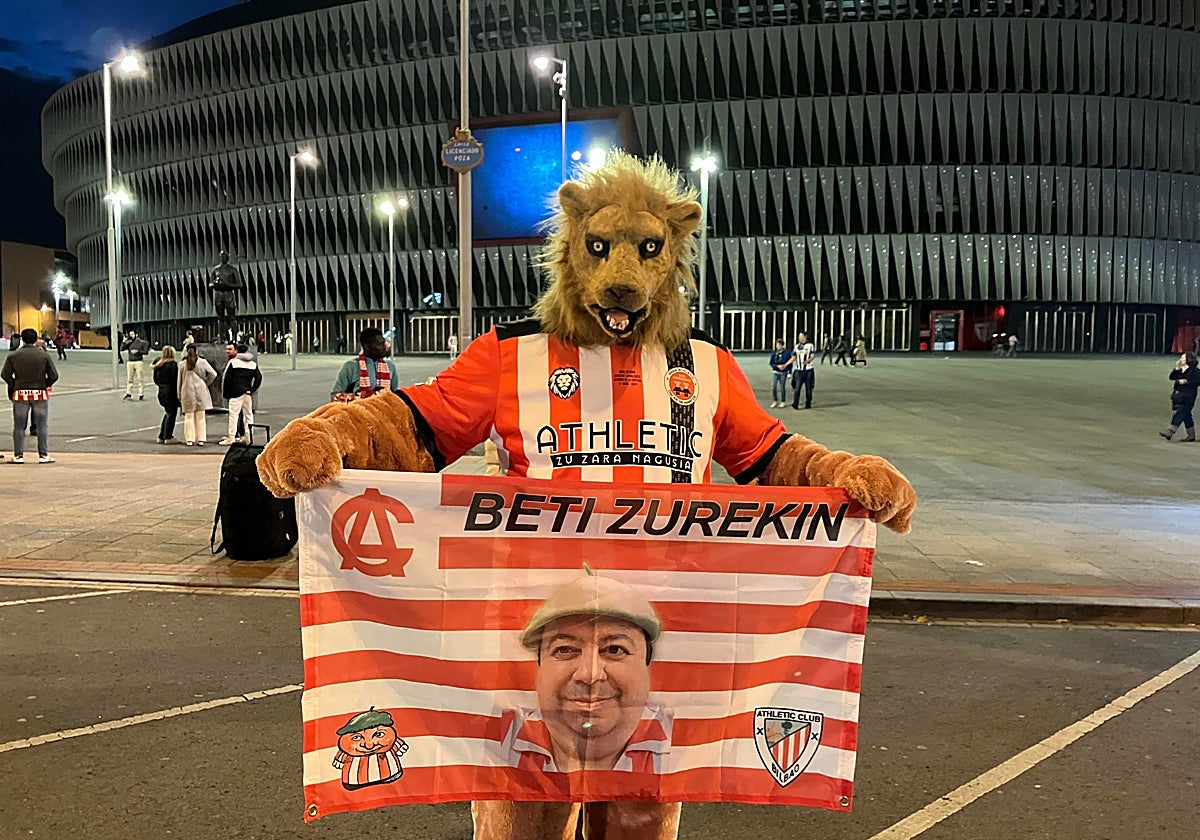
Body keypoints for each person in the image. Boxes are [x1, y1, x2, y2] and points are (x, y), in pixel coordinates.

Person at [499, 568, 670, 775]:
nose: (589, 675)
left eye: (614, 649)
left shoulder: (689, 745)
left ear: (647, 664)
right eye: (564, 650)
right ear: (540, 666)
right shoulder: (494, 739)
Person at [1, 328, 59, 464]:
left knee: (19, 426)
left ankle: (18, 456)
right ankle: (43, 455)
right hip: (39, 393)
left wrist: (15, 384)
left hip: (20, 393)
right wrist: (44, 384)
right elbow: (54, 375)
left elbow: (5, 375)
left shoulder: (13, 356)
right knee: (42, 425)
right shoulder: (44, 356)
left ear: (22, 339)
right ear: (35, 339)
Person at [330, 327, 401, 401]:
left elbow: (395, 394)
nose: (384, 347)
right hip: (358, 407)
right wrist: (357, 397)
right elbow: (335, 396)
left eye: (384, 343)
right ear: (367, 346)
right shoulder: (350, 366)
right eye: (379, 344)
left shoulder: (390, 365)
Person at [219, 343, 262, 445]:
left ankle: (231, 437)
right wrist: (252, 389)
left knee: (233, 415)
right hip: (247, 393)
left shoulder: (233, 362)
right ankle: (248, 436)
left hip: (235, 393)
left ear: (237, 351)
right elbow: (258, 378)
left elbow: (227, 379)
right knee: (248, 415)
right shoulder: (252, 364)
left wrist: (226, 394)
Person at [177, 343, 217, 446]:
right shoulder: (202, 362)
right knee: (201, 416)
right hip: (201, 390)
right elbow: (214, 374)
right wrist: (206, 382)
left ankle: (189, 439)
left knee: (188, 416)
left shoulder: (182, 364)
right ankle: (201, 439)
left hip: (186, 391)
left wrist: (179, 394)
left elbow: (179, 381)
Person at [1160, 352, 1200, 442]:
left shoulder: (1195, 371)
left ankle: (1171, 431)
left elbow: (1197, 381)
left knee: (1180, 413)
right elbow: (1172, 377)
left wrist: (1186, 381)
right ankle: (1191, 435)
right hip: (1179, 396)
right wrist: (1177, 368)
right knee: (1186, 415)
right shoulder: (1181, 370)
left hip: (1188, 397)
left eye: (1183, 358)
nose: (1181, 359)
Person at [152, 346, 181, 444]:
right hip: (171, 393)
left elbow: (155, 380)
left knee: (168, 413)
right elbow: (176, 380)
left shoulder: (158, 365)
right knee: (171, 414)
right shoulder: (173, 365)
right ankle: (168, 436)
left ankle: (162, 435)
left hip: (161, 392)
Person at [121, 330, 150, 400]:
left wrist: (138, 351)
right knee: (129, 378)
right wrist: (124, 341)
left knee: (140, 378)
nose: (131, 336)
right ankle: (128, 393)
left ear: (136, 335)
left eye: (132, 334)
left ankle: (141, 393)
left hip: (138, 361)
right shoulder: (129, 343)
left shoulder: (142, 342)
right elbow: (122, 349)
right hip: (130, 361)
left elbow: (146, 351)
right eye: (130, 334)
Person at [791, 332, 816, 409]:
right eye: (799, 336)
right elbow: (794, 357)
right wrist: (786, 364)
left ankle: (808, 403)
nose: (799, 338)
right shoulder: (796, 346)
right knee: (797, 388)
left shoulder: (810, 345)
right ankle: (795, 404)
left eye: (801, 336)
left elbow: (812, 356)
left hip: (808, 370)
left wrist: (807, 361)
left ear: (805, 337)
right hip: (799, 370)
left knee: (808, 388)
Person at [767, 338, 793, 408]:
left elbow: (790, 364)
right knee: (773, 386)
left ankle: (783, 401)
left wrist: (790, 373)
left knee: (782, 387)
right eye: (776, 345)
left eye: (778, 345)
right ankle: (775, 400)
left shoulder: (787, 353)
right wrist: (777, 366)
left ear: (782, 345)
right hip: (775, 372)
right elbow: (771, 363)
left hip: (783, 373)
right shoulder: (774, 353)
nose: (777, 346)